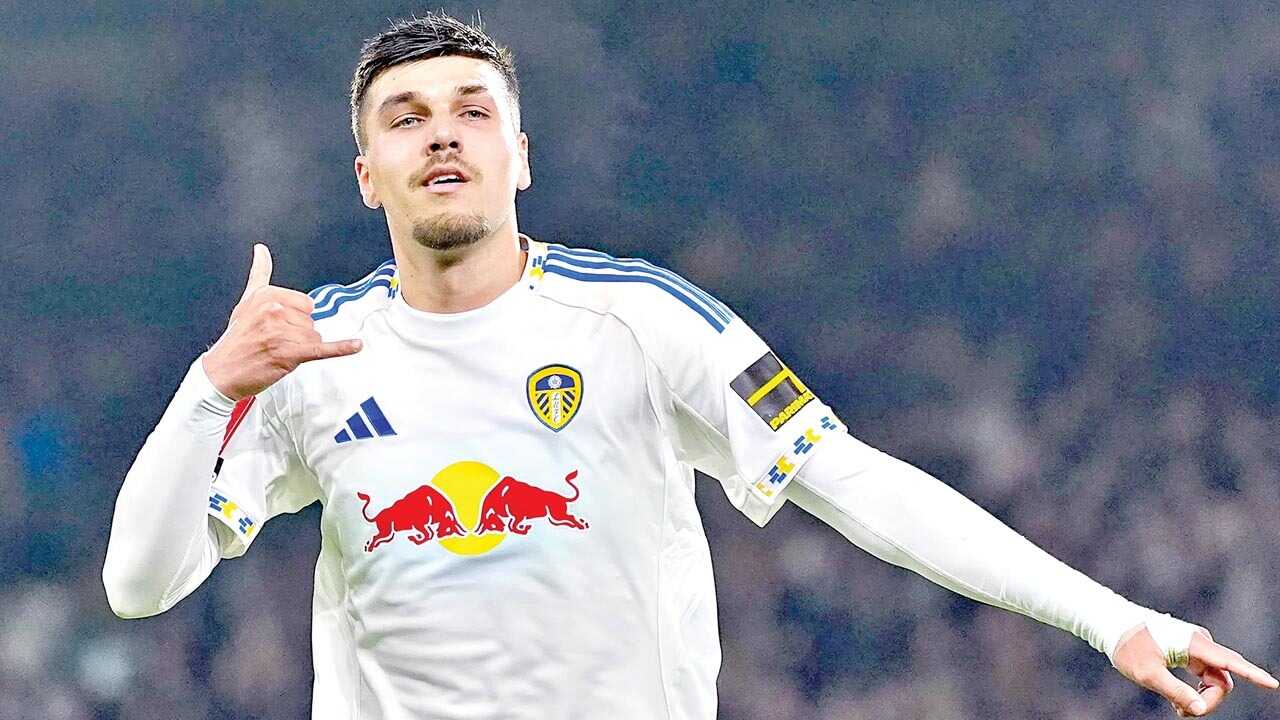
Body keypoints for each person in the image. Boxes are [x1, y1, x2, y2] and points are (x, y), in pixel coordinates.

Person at [103, 12, 1276, 719]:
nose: (442, 130)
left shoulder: (641, 320)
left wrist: (1104, 616)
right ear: (367, 175)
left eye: (471, 109)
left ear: (520, 155)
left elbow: (850, 480)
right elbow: (139, 587)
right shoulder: (305, 356)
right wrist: (211, 388)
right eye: (405, 117)